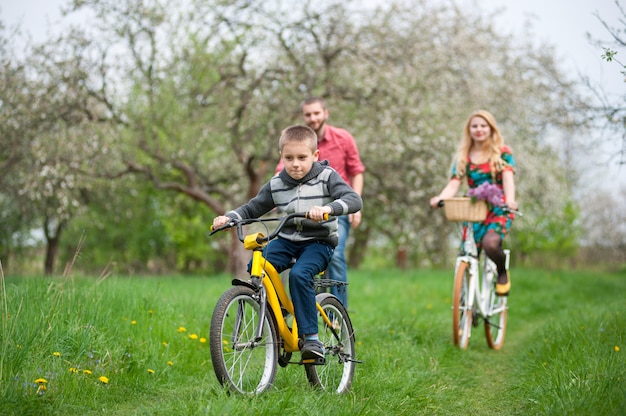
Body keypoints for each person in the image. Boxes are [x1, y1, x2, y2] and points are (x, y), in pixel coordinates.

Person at [213, 125, 362, 361]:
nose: (295, 164)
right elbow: (253, 207)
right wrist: (229, 218)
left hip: (319, 242)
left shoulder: (327, 177)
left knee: (300, 275)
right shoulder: (277, 183)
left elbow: (353, 199)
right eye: (289, 158)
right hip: (286, 239)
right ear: (281, 157)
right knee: (257, 266)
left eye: (302, 158)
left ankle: (311, 339)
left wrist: (327, 208)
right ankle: (275, 318)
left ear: (315, 156)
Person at [275, 97, 365, 309]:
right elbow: (281, 171)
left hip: (335, 207)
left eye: (316, 113)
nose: (313, 118)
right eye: (308, 114)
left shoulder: (343, 138)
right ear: (303, 116)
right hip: (302, 209)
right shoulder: (298, 141)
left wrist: (354, 206)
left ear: (326, 113)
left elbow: (357, 172)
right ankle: (294, 310)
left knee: (336, 256)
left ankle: (338, 315)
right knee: (291, 259)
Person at [430, 110, 518, 296]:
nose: (479, 130)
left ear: (491, 128)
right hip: (474, 210)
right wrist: (440, 198)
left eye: (483, 126)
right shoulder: (464, 156)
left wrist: (510, 200)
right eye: (475, 126)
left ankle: (502, 272)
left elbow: (508, 178)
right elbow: (454, 183)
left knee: (491, 244)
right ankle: (469, 303)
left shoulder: (502, 152)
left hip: (498, 209)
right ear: (469, 130)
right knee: (468, 255)